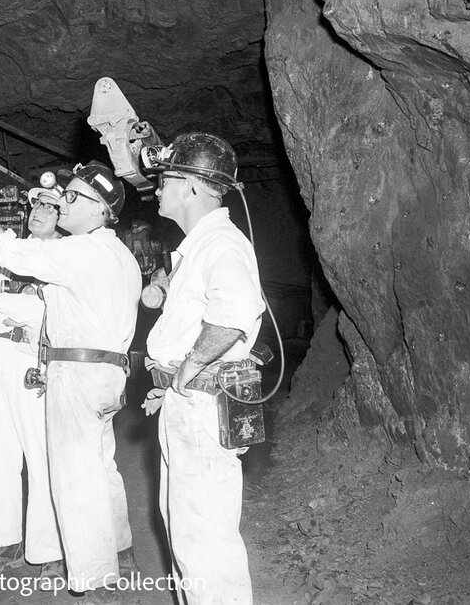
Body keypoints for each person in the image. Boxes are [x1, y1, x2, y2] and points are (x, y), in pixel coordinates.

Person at [0, 162, 141, 604]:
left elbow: (7, 252)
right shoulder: (117, 254)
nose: (63, 203)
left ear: (101, 211)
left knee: (76, 478)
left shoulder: (83, 250)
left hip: (76, 370)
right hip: (103, 370)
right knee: (100, 466)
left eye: (72, 197)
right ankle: (122, 553)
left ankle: (96, 583)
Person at [142, 133, 265, 605]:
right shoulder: (201, 245)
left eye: (165, 179)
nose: (157, 188)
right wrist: (170, 380)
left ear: (192, 186)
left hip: (202, 405)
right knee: (184, 526)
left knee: (204, 536)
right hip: (189, 399)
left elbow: (232, 316)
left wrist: (190, 366)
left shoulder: (220, 244)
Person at [0, 183, 65, 584]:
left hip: (38, 358)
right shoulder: (4, 252)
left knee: (43, 454)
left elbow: (55, 315)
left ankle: (50, 548)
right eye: (36, 203)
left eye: (51, 206)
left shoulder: (64, 256)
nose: (40, 210)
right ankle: (3, 541)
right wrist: (6, 312)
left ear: (65, 215)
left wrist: (8, 306)